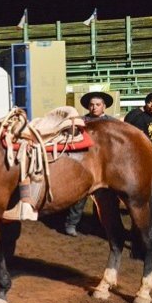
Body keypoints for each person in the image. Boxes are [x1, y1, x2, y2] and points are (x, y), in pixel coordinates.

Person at [64, 92, 114, 237]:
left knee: (105, 198)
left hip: (105, 165)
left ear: (104, 106)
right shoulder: (81, 122)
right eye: (91, 105)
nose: (94, 107)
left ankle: (100, 226)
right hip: (85, 163)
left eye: (98, 105)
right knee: (80, 195)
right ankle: (71, 224)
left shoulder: (112, 123)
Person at [124, 92, 152, 251]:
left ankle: (150, 235)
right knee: (145, 200)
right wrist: (140, 109)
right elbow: (129, 119)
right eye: (150, 101)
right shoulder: (140, 117)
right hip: (147, 162)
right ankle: (141, 235)